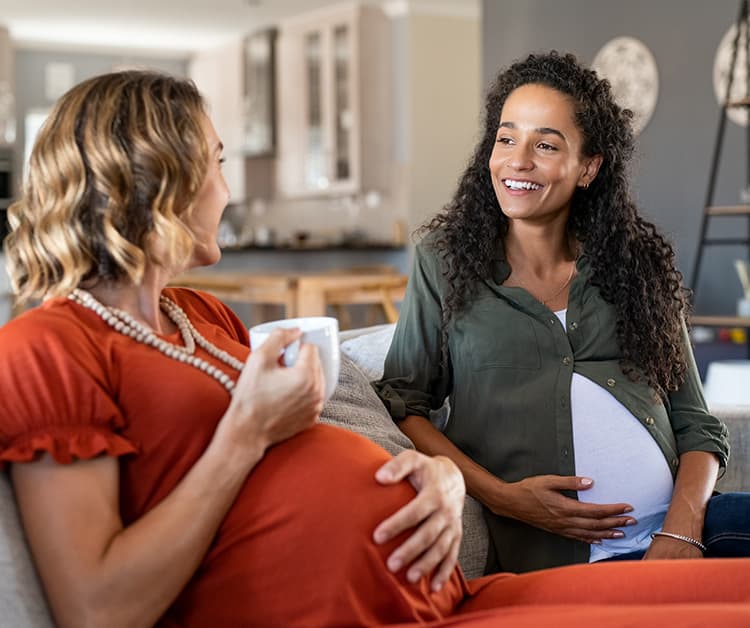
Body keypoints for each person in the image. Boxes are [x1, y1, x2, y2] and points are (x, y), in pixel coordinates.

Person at [0, 69, 749, 628]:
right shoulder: (42, 350)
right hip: (382, 607)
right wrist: (246, 432)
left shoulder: (198, 317)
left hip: (444, 589)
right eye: (219, 162)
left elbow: (318, 455)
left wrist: (441, 479)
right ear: (159, 179)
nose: (229, 190)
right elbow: (98, 610)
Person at [374, 50, 750, 575]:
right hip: (557, 563)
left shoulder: (632, 264)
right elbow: (405, 405)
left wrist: (682, 529)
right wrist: (505, 498)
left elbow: (696, 424)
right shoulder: (443, 263)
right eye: (506, 139)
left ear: (588, 168)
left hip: (679, 536)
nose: (517, 160)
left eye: (545, 145)